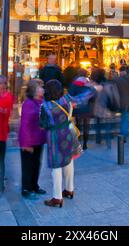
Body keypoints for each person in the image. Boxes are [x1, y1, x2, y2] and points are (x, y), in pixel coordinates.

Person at [40, 79, 96, 208]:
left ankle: (57, 197)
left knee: (56, 167)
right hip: (68, 133)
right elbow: (82, 98)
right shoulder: (67, 99)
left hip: (55, 136)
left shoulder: (46, 106)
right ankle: (69, 189)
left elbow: (42, 125)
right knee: (69, 161)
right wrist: (92, 88)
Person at [18, 79, 46, 199]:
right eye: (40, 87)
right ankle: (26, 188)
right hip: (29, 141)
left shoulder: (42, 101)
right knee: (28, 165)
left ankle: (34, 185)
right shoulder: (28, 103)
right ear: (35, 90)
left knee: (36, 164)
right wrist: (26, 143)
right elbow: (25, 124)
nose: (43, 89)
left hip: (39, 139)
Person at [68, 69, 94, 150]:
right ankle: (85, 144)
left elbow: (70, 95)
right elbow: (93, 96)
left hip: (78, 108)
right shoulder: (89, 84)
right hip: (87, 108)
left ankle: (78, 142)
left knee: (78, 125)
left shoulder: (74, 84)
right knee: (86, 126)